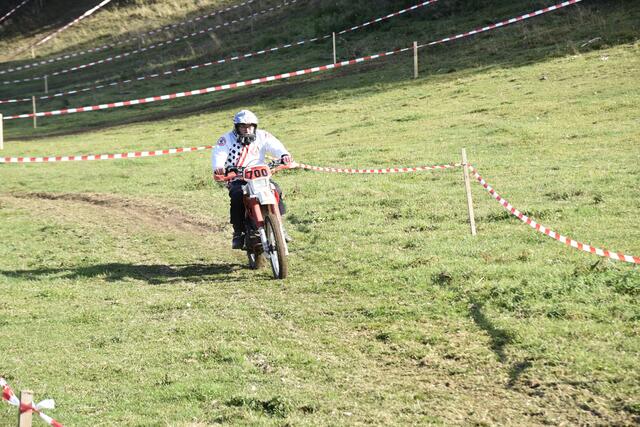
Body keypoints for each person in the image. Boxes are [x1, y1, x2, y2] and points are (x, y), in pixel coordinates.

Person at [212, 109, 293, 249]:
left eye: (250, 126)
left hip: (260, 175)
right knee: (237, 195)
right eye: (243, 126)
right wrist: (219, 167)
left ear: (255, 126)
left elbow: (275, 146)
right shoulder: (226, 139)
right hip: (237, 176)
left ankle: (280, 227)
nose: (247, 129)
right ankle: (239, 232)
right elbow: (219, 153)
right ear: (237, 127)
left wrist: (284, 155)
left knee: (276, 189)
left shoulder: (263, 136)